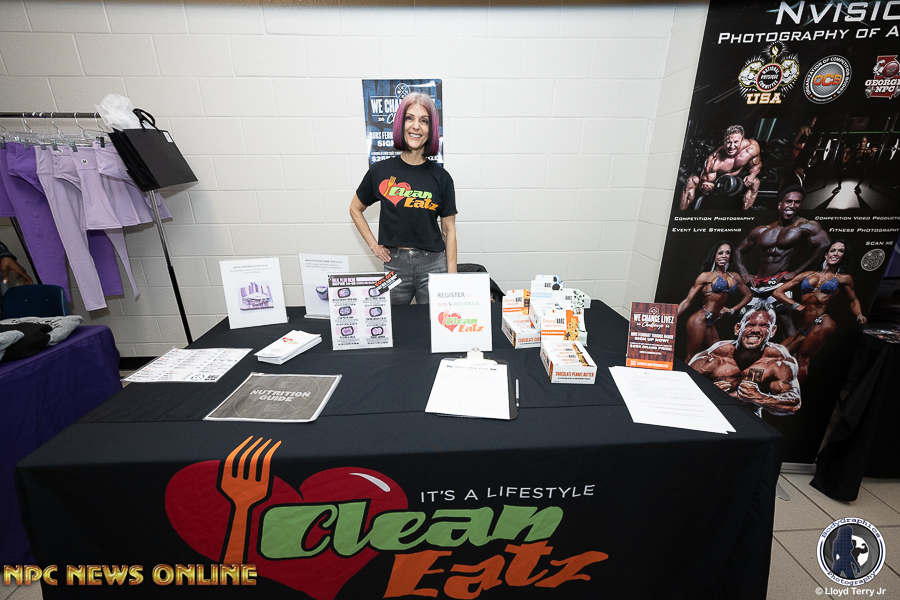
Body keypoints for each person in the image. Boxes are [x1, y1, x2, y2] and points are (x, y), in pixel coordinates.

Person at [349, 93, 457, 305]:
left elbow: (449, 230)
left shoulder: (441, 177)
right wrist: (374, 246)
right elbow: (355, 208)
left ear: (431, 130)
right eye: (409, 118)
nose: (416, 126)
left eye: (424, 121)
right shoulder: (380, 171)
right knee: (393, 322)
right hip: (394, 265)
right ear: (400, 124)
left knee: (436, 322)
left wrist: (452, 277)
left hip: (434, 265)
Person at [734, 185, 830, 336]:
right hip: (758, 283)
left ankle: (791, 352)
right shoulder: (762, 229)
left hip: (780, 282)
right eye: (789, 201)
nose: (792, 205)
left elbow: (825, 245)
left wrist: (797, 272)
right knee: (747, 320)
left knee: (785, 320)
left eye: (797, 202)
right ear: (780, 204)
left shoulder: (804, 226)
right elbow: (739, 250)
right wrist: (744, 273)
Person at [772, 240, 866, 383]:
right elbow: (778, 292)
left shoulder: (843, 278)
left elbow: (853, 300)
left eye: (841, 251)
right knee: (775, 354)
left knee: (802, 360)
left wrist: (859, 315)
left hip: (822, 322)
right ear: (826, 254)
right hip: (804, 326)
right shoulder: (808, 274)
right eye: (833, 250)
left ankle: (793, 394)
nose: (836, 254)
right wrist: (795, 304)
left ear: (844, 256)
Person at [689, 306, 801, 415]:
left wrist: (759, 397)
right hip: (711, 414)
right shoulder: (712, 357)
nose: (756, 330)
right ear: (737, 328)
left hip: (749, 418)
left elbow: (794, 404)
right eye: (750, 325)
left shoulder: (779, 361)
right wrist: (709, 393)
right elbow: (681, 390)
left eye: (764, 326)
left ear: (772, 331)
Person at [676, 240, 752, 361]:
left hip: (711, 321)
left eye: (727, 253)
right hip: (699, 319)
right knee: (692, 356)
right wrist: (670, 319)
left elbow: (748, 295)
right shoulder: (706, 276)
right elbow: (687, 300)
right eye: (720, 253)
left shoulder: (734, 276)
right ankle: (683, 373)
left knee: (718, 356)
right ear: (714, 255)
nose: (724, 256)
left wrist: (732, 310)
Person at [679, 125, 762, 210]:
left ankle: (745, 213)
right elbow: (703, 186)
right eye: (729, 142)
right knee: (692, 181)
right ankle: (681, 213)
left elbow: (757, 165)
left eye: (736, 142)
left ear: (742, 140)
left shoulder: (752, 148)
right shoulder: (714, 160)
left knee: (755, 182)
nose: (732, 146)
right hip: (718, 180)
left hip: (737, 177)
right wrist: (708, 185)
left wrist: (752, 175)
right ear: (724, 141)